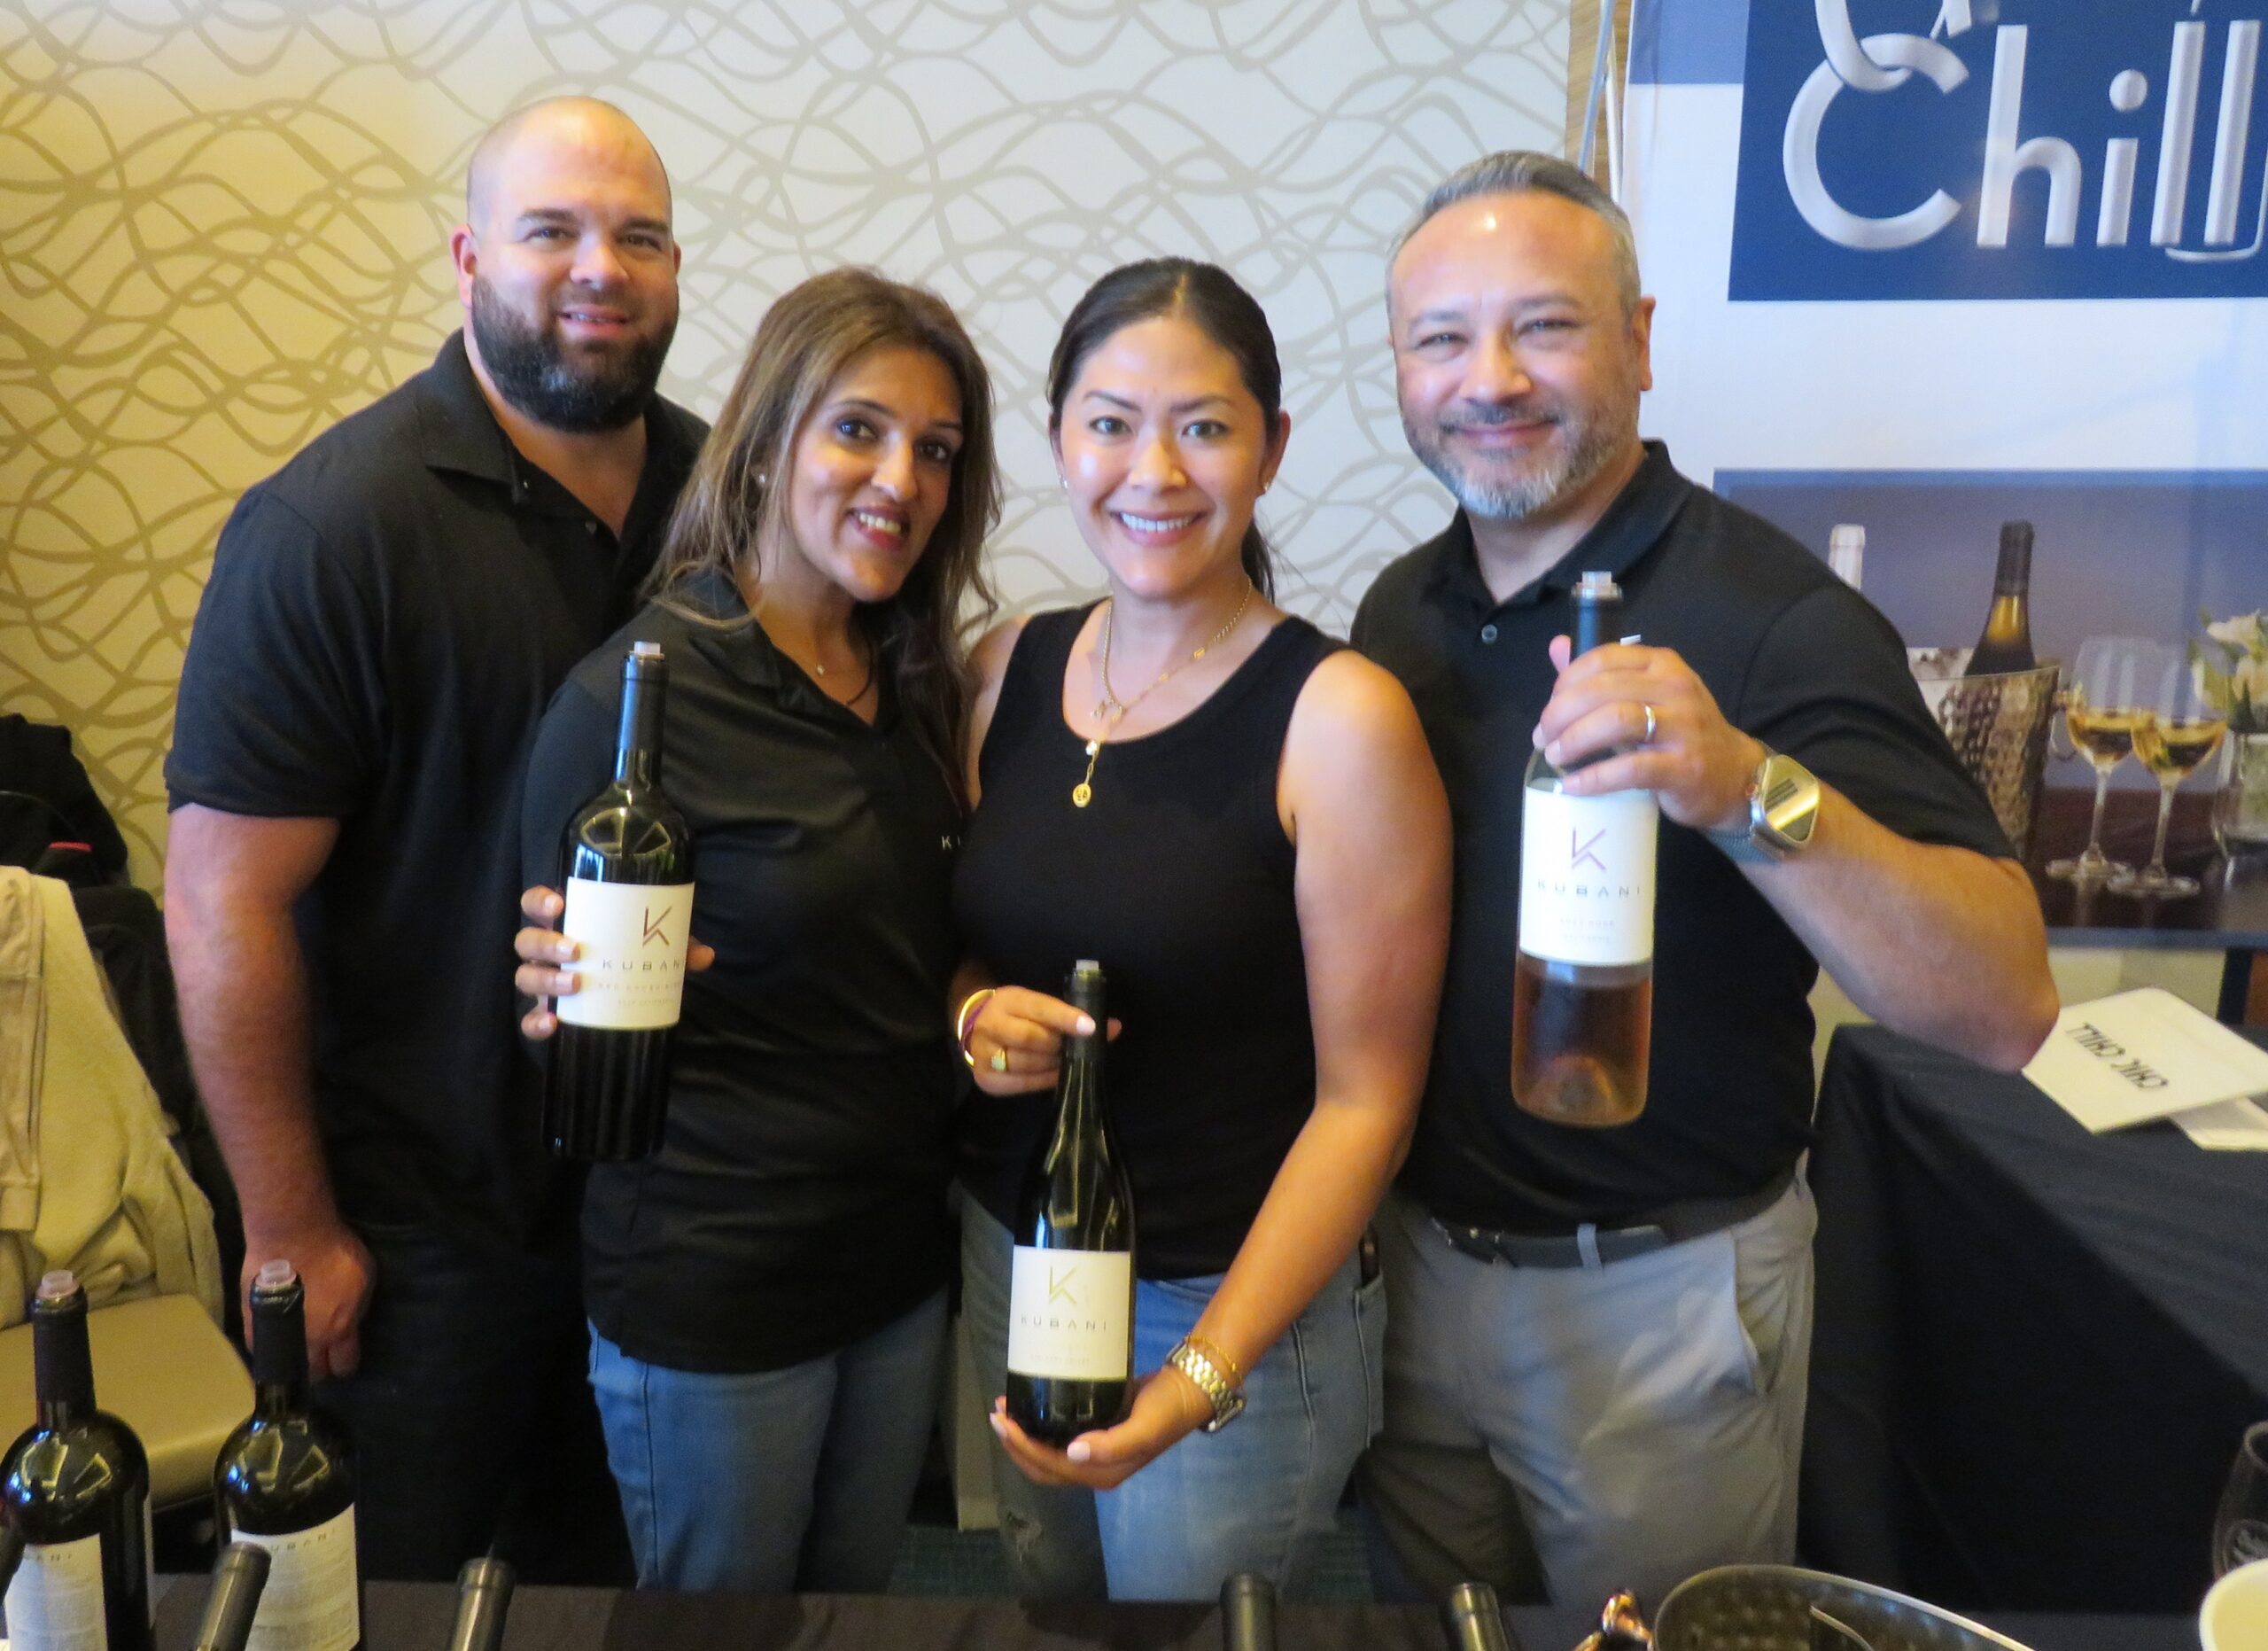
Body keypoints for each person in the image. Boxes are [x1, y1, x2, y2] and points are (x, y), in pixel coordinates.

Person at [1350, 151, 2062, 1608]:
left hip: (1658, 1311)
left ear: (1640, 341)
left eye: (1544, 326)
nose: (1490, 379)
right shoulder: (1398, 612)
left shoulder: (1778, 619)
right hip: (1415, 1283)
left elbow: (2004, 1004)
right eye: (1442, 338)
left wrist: (1746, 787)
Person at [163, 97, 703, 1582]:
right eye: (552, 232)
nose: (599, 268)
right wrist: (289, 1227)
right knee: (391, 1602)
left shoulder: (727, 503)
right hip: (413, 1240)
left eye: (639, 238)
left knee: (624, 1597)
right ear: (471, 260)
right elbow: (219, 907)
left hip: (658, 1217)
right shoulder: (333, 530)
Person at [951, 258, 1453, 1601]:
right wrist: (971, 1016)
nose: (1154, 471)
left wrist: (1193, 1381)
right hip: (1019, 1266)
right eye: (1111, 424)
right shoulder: (1005, 670)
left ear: (1271, 449)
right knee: (1051, 1615)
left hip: (1227, 1307)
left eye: (1206, 427)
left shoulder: (1340, 720)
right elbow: (969, 942)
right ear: (1059, 438)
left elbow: (1368, 1105)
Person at [509, 268, 1000, 1593]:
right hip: (716, 1291)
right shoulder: (640, 697)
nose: (901, 478)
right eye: (860, 430)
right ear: (771, 439)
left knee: (855, 1611)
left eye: (937, 450)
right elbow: (551, 1017)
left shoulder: (920, 683)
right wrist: (559, 996)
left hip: (895, 1270)